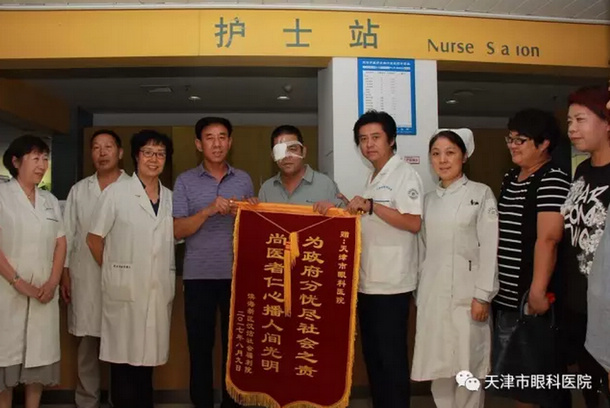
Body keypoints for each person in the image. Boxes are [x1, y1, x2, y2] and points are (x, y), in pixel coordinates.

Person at [86, 130, 175, 408]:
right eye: (148, 152)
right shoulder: (116, 193)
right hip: (124, 292)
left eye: (160, 154)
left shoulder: (170, 198)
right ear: (136, 156)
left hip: (156, 291)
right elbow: (94, 239)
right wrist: (115, 272)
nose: (154, 159)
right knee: (123, 364)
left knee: (147, 364)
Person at [411, 129, 499, 408]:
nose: (443, 160)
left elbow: (490, 247)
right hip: (433, 296)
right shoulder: (427, 201)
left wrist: (483, 294)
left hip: (469, 296)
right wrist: (420, 293)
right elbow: (422, 250)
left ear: (464, 156)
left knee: (468, 368)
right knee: (439, 370)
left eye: (450, 153)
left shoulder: (481, 194)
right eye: (436, 154)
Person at [343, 110, 423, 408]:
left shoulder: (404, 174)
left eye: (376, 137)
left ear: (391, 140)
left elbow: (413, 222)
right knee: (374, 360)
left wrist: (372, 206)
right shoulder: (373, 177)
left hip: (392, 285)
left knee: (391, 362)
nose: (369, 144)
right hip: (368, 283)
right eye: (363, 139)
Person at [491, 109, 571, 408]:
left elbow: (548, 239)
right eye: (510, 139)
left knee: (536, 382)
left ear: (544, 143)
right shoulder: (511, 178)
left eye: (521, 140)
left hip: (532, 297)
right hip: (508, 297)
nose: (512, 146)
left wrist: (537, 291)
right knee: (518, 382)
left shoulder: (552, 178)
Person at [173, 117, 253, 408]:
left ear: (230, 142)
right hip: (198, 277)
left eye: (222, 137)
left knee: (236, 350)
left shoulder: (243, 179)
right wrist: (208, 210)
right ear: (198, 144)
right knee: (200, 349)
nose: (217, 144)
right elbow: (177, 230)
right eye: (209, 138)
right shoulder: (184, 181)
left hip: (237, 277)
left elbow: (253, 229)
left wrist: (249, 211)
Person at [61, 129, 130, 408]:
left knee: (121, 346)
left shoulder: (133, 188)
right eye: (96, 148)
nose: (102, 153)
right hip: (85, 277)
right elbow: (67, 235)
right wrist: (65, 274)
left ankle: (119, 400)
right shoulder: (79, 190)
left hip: (122, 279)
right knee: (87, 346)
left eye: (108, 147)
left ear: (120, 153)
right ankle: (87, 401)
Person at [0, 135, 67, 408]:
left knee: (38, 361)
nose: (42, 165)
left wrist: (53, 281)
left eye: (45, 158)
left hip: (44, 292)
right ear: (16, 162)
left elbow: (61, 242)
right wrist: (18, 282)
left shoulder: (49, 200)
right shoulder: (2, 196)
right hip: (7, 292)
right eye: (35, 158)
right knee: (5, 359)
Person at [562, 86, 610, 406]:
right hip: (578, 300)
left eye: (580, 119)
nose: (572, 128)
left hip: (606, 302)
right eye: (569, 121)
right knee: (590, 386)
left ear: (607, 123)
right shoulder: (581, 170)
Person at [257, 125, 342, 213]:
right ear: (273, 156)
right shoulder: (266, 189)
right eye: (280, 152)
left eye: (293, 149)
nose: (287, 156)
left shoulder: (326, 185)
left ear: (303, 152)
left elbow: (342, 217)